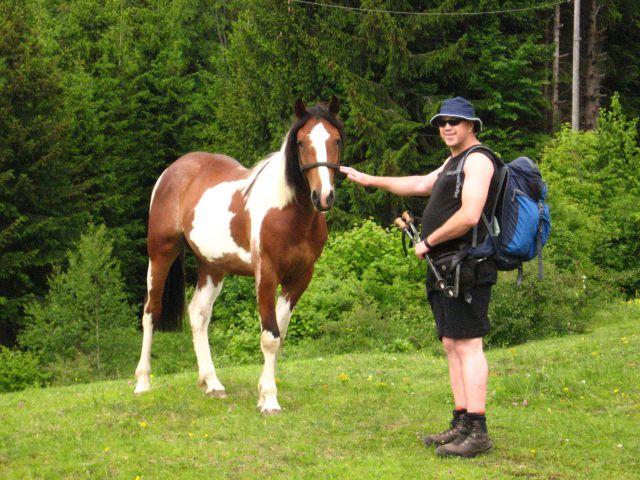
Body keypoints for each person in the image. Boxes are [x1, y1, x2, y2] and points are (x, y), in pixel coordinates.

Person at [340, 97, 499, 457]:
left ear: (471, 125)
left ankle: (478, 430)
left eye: (455, 122)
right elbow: (419, 184)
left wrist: (428, 240)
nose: (446, 127)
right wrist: (369, 180)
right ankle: (461, 422)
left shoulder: (479, 160)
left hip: (467, 265)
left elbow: (471, 215)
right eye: (442, 122)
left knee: (469, 344)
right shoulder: (452, 162)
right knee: (451, 343)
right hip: (444, 265)